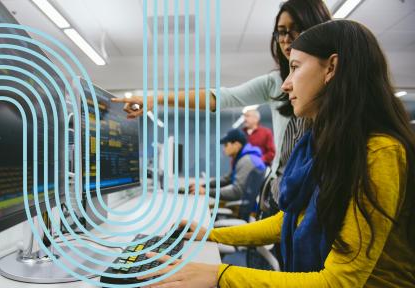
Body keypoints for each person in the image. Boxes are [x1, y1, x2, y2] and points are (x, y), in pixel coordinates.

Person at [138, 20, 415, 288]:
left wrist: (221, 275)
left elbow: (339, 282)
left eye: (295, 68)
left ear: (331, 68)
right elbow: (289, 220)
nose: (286, 84)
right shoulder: (323, 145)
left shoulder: (379, 153)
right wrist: (210, 234)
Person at [112, 0, 332, 216]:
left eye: (295, 31)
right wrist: (155, 99)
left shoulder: (342, 94)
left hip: (320, 198)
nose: (286, 41)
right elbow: (222, 97)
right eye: (280, 32)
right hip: (285, 197)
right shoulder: (276, 83)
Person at [189, 129, 265, 217]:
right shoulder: (243, 158)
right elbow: (227, 179)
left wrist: (206, 191)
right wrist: (203, 186)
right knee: (206, 208)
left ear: (236, 145)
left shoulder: (247, 161)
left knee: (203, 211)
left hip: (249, 211)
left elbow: (236, 191)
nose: (224, 149)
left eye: (226, 145)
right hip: (243, 205)